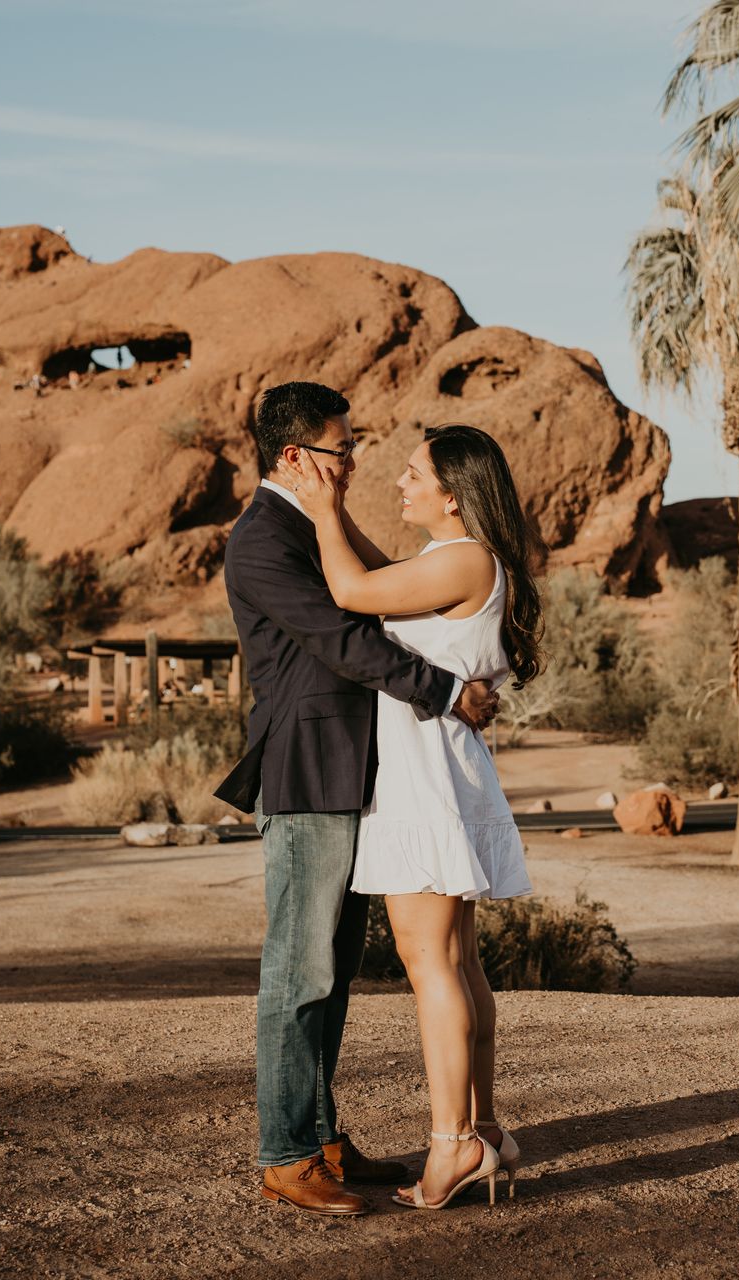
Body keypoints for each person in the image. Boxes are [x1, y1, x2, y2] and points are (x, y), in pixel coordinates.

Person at [212, 383, 503, 1218]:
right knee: (298, 969)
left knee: (331, 972)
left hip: (362, 772)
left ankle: (322, 1136)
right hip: (307, 771)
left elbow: (390, 588)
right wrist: (448, 692)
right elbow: (344, 641)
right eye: (342, 449)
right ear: (297, 457)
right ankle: (286, 1154)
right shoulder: (263, 540)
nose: (355, 461)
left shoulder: (309, 526)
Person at [288, 422, 539, 1211]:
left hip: (425, 776)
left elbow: (353, 593)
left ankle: (451, 1147)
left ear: (454, 496)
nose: (399, 483)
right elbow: (380, 573)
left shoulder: (464, 559)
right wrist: (334, 513)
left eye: (412, 473)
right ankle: (482, 1129)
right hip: (440, 767)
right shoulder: (454, 558)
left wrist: (325, 511)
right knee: (458, 963)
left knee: (430, 962)